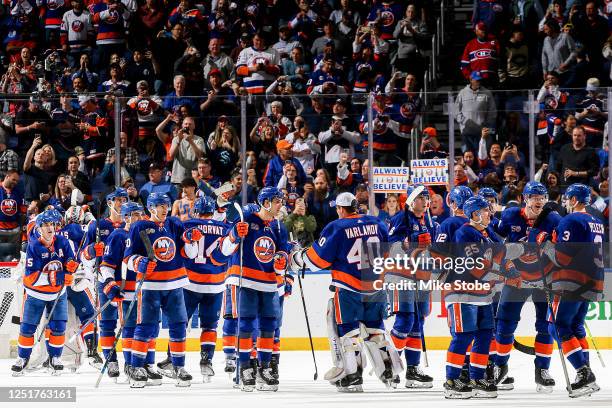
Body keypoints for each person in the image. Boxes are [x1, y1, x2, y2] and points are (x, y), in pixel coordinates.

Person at [290, 191, 399, 391]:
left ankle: (353, 375)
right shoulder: (377, 223)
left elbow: (317, 260)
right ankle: (389, 370)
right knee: (376, 329)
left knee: (349, 333)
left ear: (340, 209)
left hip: (349, 288)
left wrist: (298, 259)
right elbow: (388, 252)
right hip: (376, 287)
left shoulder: (337, 227)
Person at [211, 187, 292, 392]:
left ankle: (264, 367)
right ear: (265, 203)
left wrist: (281, 262)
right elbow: (222, 251)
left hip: (268, 283)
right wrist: (233, 235)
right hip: (244, 281)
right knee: (245, 325)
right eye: (277, 201)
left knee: (269, 326)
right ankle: (245, 367)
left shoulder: (279, 227)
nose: (280, 204)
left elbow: (281, 251)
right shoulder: (245, 217)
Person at [444, 196, 516, 399]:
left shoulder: (485, 232)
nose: (490, 214)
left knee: (485, 334)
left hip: (482, 292)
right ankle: (451, 380)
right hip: (462, 291)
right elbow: (477, 264)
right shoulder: (465, 232)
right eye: (485, 211)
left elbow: (502, 251)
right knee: (464, 335)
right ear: (475, 214)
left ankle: (477, 377)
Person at [493, 181, 562, 392]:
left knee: (545, 324)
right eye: (534, 196)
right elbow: (494, 237)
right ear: (525, 198)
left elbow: (562, 250)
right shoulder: (511, 215)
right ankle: (500, 365)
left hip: (544, 280)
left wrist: (549, 245)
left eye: (542, 197)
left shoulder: (553, 219)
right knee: (505, 322)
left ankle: (542, 370)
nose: (539, 200)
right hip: (516, 278)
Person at [538, 183, 604, 397]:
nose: (565, 202)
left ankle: (583, 372)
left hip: (570, 280)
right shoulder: (596, 220)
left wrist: (545, 243)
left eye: (568, 198)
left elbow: (561, 257)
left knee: (557, 327)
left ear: (575, 200)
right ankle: (585, 372)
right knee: (575, 326)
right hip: (593, 279)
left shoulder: (571, 220)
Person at [124, 192, 193, 387]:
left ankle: (178, 366)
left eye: (167, 204)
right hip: (150, 286)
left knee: (179, 325)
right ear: (151, 207)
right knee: (146, 326)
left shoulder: (175, 224)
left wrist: (191, 241)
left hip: (175, 283)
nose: (165, 208)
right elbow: (128, 258)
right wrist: (140, 263)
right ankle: (137, 366)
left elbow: (189, 254)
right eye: (161, 205)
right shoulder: (139, 227)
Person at [11, 209, 79, 375]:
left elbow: (71, 260)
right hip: (35, 294)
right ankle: (22, 358)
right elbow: (32, 277)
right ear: (39, 227)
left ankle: (55, 358)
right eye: (46, 225)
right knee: (27, 327)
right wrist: (58, 276)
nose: (50, 228)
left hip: (58, 294)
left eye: (53, 224)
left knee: (58, 326)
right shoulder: (33, 246)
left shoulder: (63, 242)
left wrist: (71, 266)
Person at [387, 184, 435, 388]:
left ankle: (413, 371)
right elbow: (390, 247)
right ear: (411, 200)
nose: (425, 201)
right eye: (421, 197)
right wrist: (413, 242)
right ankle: (390, 366)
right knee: (406, 320)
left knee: (418, 323)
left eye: (427, 197)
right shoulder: (401, 218)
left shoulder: (427, 221)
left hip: (421, 276)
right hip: (401, 276)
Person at [178, 196, 228, 382]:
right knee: (210, 326)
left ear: (196, 211)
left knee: (180, 323)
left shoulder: (187, 224)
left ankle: (173, 359)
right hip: (216, 284)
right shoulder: (224, 228)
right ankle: (206, 362)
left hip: (190, 283)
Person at [99, 202, 144, 381]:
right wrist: (110, 283)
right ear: (126, 217)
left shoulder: (143, 234)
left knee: (131, 328)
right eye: (135, 214)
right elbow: (106, 264)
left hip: (137, 290)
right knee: (108, 325)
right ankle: (111, 361)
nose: (140, 218)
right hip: (118, 289)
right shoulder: (118, 235)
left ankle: (130, 364)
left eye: (141, 214)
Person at [169, 116, 205, 185]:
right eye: (185, 124)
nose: (187, 126)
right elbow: (171, 155)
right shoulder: (176, 139)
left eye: (190, 124)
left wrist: (190, 141)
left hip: (193, 179)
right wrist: (179, 140)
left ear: (194, 126)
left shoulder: (199, 140)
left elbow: (200, 156)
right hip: (178, 179)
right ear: (182, 126)